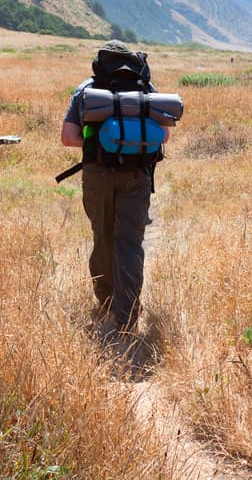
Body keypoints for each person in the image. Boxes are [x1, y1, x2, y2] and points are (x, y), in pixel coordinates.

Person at [60, 40, 169, 338]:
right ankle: (128, 316)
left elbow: (68, 138)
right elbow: (165, 136)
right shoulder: (146, 89)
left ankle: (106, 301)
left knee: (103, 236)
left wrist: (101, 144)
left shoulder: (86, 90)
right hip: (138, 175)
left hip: (97, 174)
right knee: (130, 243)